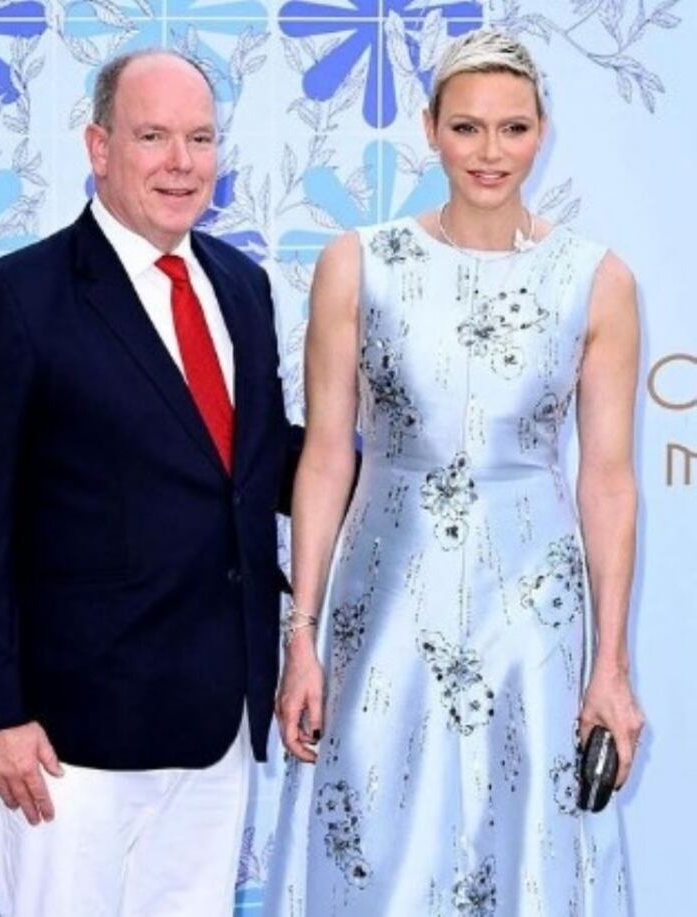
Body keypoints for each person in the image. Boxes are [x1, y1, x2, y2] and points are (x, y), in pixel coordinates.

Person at [265, 28, 644, 916]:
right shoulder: (359, 264)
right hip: (387, 596)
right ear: (430, 129)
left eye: (514, 128)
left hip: (533, 608)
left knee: (527, 842)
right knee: (375, 842)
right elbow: (326, 456)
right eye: (467, 127)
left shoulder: (597, 279)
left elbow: (608, 480)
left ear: (542, 131)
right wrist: (302, 635)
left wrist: (611, 665)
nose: (490, 152)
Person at [0, 49, 296, 917]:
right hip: (67, 741)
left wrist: (408, 469)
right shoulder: (13, 299)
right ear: (99, 148)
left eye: (200, 138)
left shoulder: (242, 287)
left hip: (216, 722)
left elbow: (255, 463)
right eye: (153, 136)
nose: (182, 162)